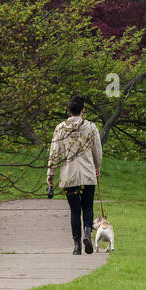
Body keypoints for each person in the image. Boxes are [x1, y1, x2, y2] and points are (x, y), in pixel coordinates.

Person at [47, 93, 103, 255]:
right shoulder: (91, 128)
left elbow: (54, 153)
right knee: (87, 206)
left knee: (74, 210)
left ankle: (77, 245)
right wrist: (97, 167)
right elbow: (97, 151)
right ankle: (87, 231)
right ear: (83, 110)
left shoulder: (60, 129)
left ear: (68, 110)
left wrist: (50, 174)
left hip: (69, 175)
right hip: (87, 174)